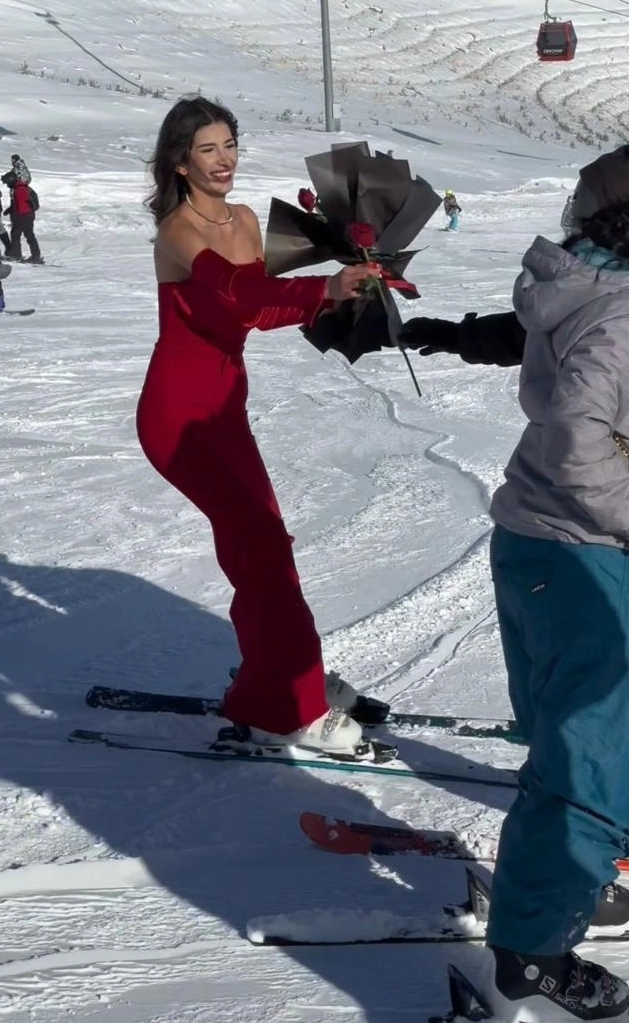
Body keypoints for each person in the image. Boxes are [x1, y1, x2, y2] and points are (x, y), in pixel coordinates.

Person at [445, 138, 629, 1021]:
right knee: (595, 772)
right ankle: (530, 958)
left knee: (567, 744)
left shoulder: (586, 287)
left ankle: (561, 886)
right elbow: (577, 430)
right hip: (585, 551)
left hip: (531, 542)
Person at [138, 95, 386, 760]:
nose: (224, 160)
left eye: (229, 145)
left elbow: (256, 315)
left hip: (226, 411)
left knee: (264, 550)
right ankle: (288, 708)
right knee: (263, 551)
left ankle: (279, 677)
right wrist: (320, 289)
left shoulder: (244, 219)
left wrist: (339, 300)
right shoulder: (177, 231)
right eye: (207, 150)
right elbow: (235, 292)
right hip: (178, 419)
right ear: (180, 163)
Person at [2, 169, 43, 264]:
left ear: (11, 180)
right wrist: (10, 210)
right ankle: (36, 255)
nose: (7, 185)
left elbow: (21, 205)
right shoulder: (23, 187)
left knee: (15, 235)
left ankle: (16, 255)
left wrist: (17, 215)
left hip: (23, 216)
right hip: (29, 215)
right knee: (29, 235)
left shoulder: (19, 189)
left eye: (8, 183)